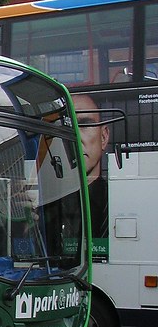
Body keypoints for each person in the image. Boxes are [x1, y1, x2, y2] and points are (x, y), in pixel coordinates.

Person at [72, 93, 110, 241]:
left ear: (103, 137)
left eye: (84, 124)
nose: (75, 136)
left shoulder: (117, 200)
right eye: (66, 126)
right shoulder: (45, 204)